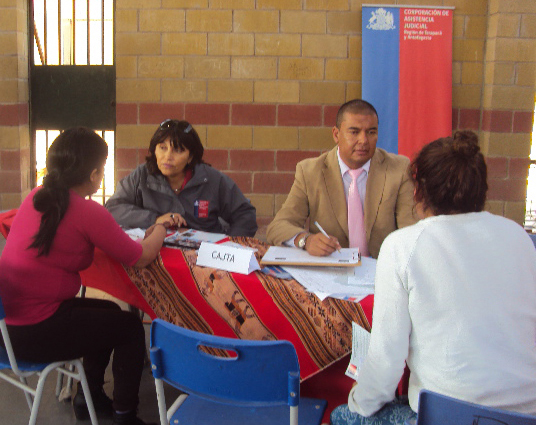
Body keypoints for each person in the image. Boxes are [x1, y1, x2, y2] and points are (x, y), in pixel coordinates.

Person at [330, 131, 536, 425]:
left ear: (418, 192)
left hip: (450, 416)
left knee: (343, 416)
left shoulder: (404, 246)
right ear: (483, 189)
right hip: (526, 414)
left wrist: (358, 402)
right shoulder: (518, 236)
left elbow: (386, 363)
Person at [0, 127, 171, 425]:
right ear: (94, 174)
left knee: (107, 313)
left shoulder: (36, 198)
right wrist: (160, 227)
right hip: (35, 332)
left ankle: (87, 398)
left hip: (10, 328)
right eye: (103, 169)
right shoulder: (86, 211)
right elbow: (141, 256)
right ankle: (125, 415)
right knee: (130, 327)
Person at [266, 99, 416, 259]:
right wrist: (306, 241)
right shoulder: (310, 171)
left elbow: (411, 233)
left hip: (381, 271)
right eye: (354, 132)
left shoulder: (398, 169)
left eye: (371, 132)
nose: (364, 140)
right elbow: (278, 227)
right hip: (330, 272)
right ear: (336, 135)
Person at [105, 119, 258, 237]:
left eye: (177, 150)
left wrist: (229, 248)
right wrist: (154, 220)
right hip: (158, 253)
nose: (167, 157)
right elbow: (113, 208)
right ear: (154, 150)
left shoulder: (212, 179)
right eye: (162, 148)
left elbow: (245, 214)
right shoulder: (142, 175)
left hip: (203, 258)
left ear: (190, 157)